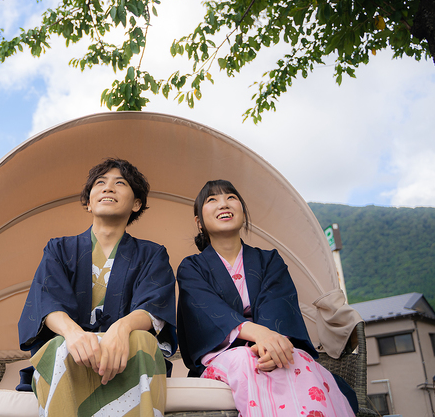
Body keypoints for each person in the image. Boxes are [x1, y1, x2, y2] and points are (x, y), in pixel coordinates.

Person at [177, 180, 357, 417]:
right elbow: (206, 311)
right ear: (199, 222)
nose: (223, 204)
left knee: (299, 360)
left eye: (231, 198)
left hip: (276, 346)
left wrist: (271, 343)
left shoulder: (269, 260)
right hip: (224, 355)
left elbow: (279, 305)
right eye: (212, 200)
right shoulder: (192, 267)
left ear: (243, 212)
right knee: (243, 360)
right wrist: (258, 335)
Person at [18, 158, 177, 417]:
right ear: (88, 203)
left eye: (120, 183)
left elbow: (153, 306)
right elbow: (47, 302)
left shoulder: (152, 254)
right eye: (100, 183)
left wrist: (121, 329)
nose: (108, 188)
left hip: (128, 354)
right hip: (71, 350)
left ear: (137, 204)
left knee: (140, 339)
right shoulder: (58, 249)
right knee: (61, 347)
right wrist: (73, 334)